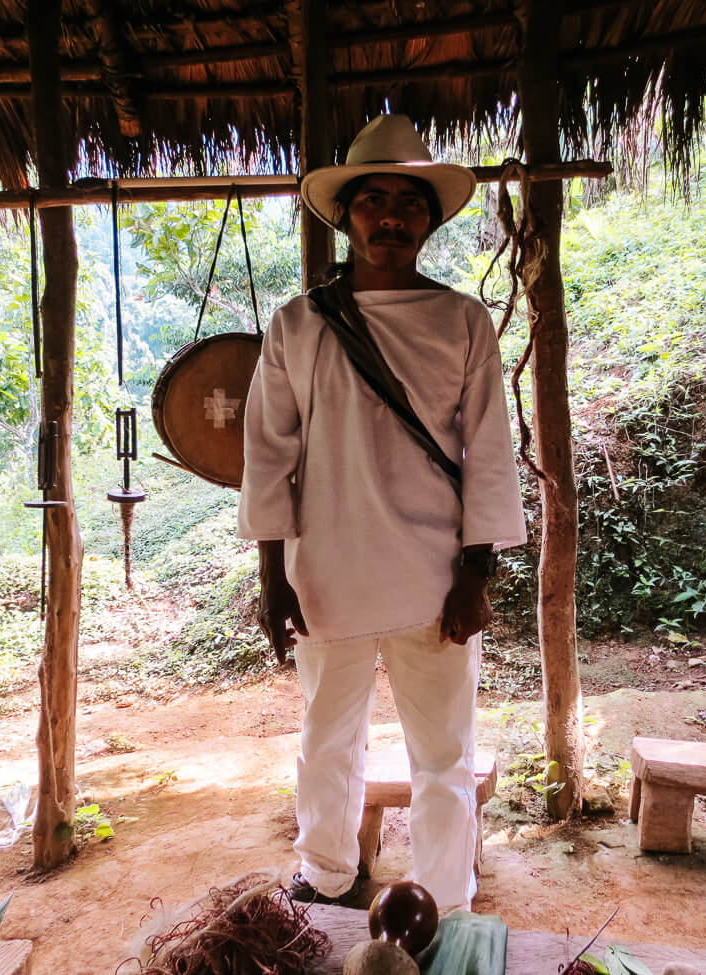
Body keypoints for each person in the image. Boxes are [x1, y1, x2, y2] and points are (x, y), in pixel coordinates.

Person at [237, 114, 526, 916]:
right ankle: (327, 873)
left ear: (429, 220)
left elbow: (489, 453)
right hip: (324, 576)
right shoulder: (299, 324)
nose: (391, 216)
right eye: (373, 201)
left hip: (436, 581)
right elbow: (269, 456)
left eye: (408, 202)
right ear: (346, 214)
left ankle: (447, 898)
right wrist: (273, 577)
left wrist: (477, 571)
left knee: (444, 753)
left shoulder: (462, 321)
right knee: (326, 741)